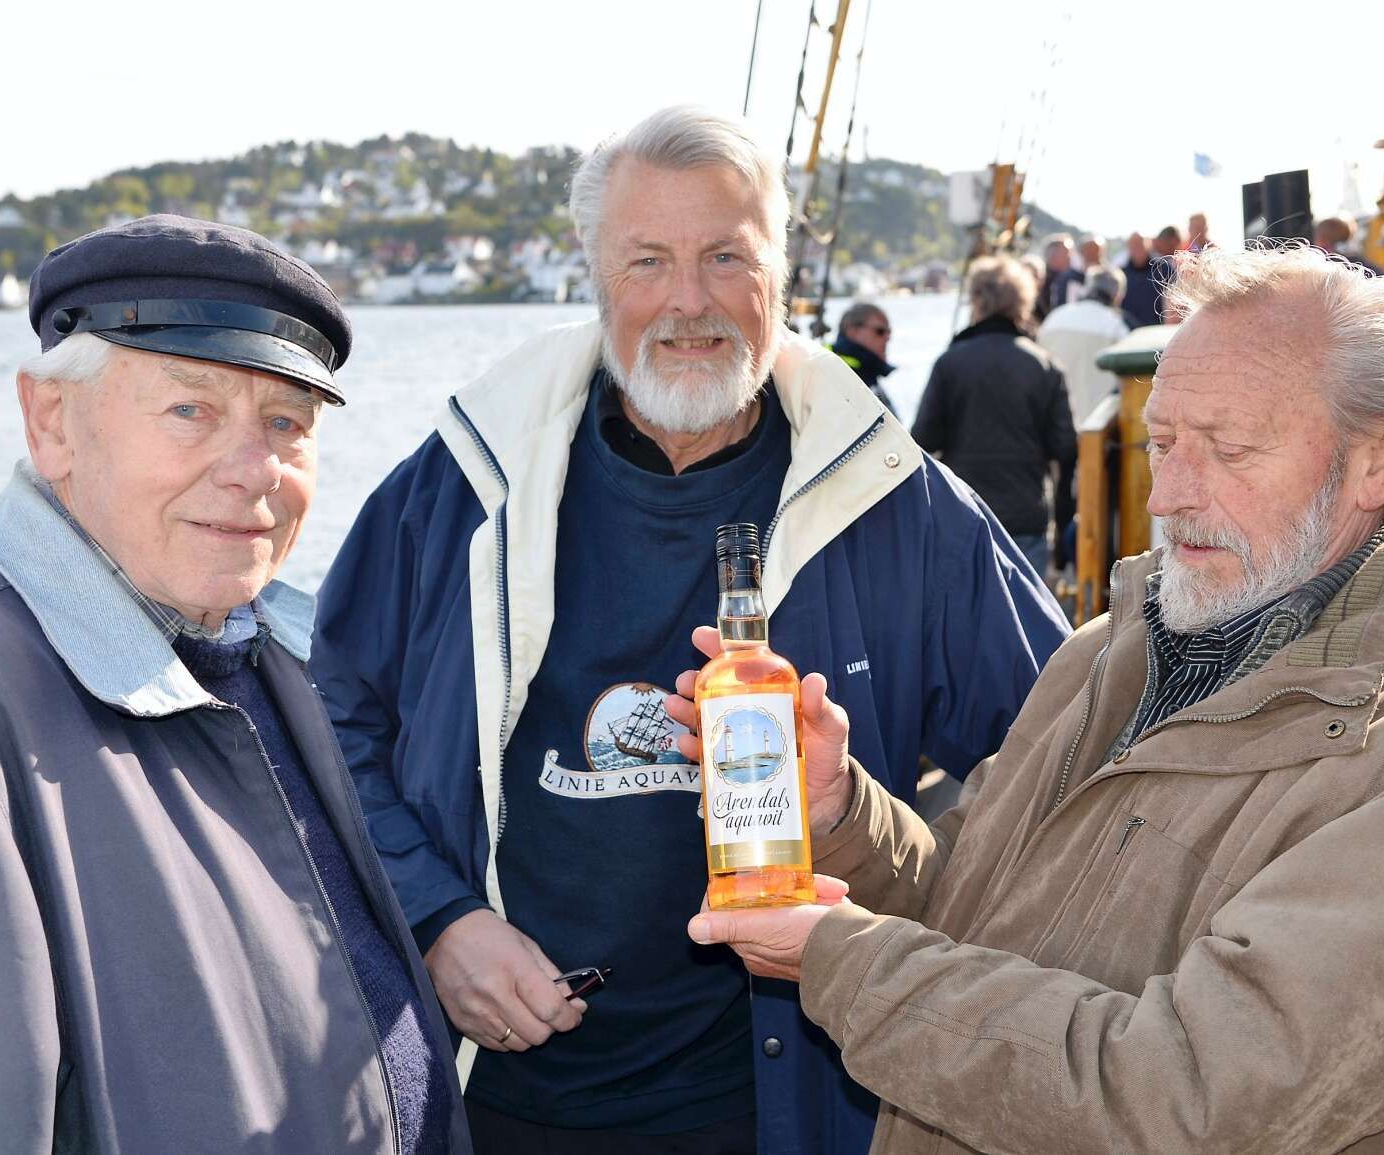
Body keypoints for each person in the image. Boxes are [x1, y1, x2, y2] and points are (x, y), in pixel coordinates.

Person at [310, 106, 1070, 1155]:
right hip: (491, 1093)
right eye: (647, 262)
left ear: (779, 273)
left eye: (726, 257)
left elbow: (1066, 765)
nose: (688, 302)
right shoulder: (469, 478)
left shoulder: (895, 504)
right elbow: (327, 721)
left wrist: (875, 838)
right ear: (594, 277)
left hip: (794, 1105)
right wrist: (434, 919)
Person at [680, 242, 1384, 1153]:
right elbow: (962, 902)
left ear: (1382, 459)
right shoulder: (1107, 650)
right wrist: (838, 813)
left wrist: (841, 961)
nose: (1168, 495)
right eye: (1162, 443)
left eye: (1230, 449)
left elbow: (1186, 1105)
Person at [0, 216, 469, 1153]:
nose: (256, 472)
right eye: (191, 410)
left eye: (286, 423)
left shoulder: (269, 652)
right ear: (52, 421)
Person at [911, 254, 1077, 577]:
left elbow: (923, 440)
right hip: (1026, 514)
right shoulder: (1045, 366)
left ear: (976, 299)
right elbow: (1065, 447)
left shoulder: (950, 363)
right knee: (1027, 608)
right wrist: (1062, 525)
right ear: (1023, 301)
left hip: (963, 512)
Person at [1036, 262, 1130, 426]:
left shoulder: (1054, 318)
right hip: (1096, 425)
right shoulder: (1116, 327)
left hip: (1053, 421)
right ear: (1118, 296)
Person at [831, 300, 897, 412]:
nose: (887, 338)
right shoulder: (836, 375)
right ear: (853, 331)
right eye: (880, 331)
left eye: (888, 332)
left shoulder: (867, 373)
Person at [1119, 229, 1166, 327]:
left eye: (1140, 244)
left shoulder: (1163, 269)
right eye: (1133, 245)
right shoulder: (1121, 273)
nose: (1136, 248)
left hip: (1157, 330)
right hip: (1128, 331)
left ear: (1148, 245)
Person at [1038, 232, 1082, 317]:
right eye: (1067, 252)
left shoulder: (1073, 277)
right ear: (1053, 254)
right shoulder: (1038, 277)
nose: (1070, 257)